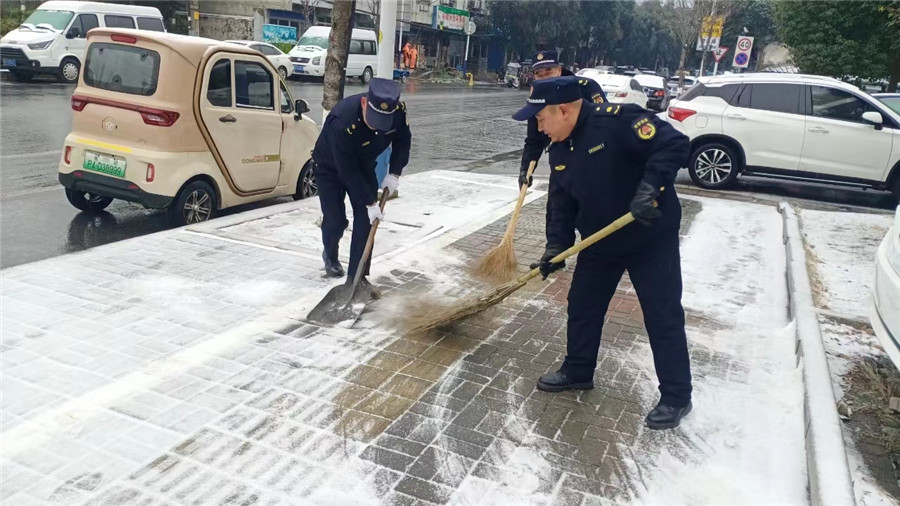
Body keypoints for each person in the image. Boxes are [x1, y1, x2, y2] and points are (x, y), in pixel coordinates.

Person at [512, 76, 693, 430]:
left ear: (563, 110)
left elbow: (674, 144)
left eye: (541, 119)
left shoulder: (619, 121)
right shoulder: (561, 147)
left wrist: (649, 190)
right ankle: (579, 370)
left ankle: (676, 396)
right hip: (599, 240)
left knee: (662, 314)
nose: (539, 126)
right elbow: (561, 201)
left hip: (649, 237)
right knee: (582, 304)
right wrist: (556, 246)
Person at [311, 78, 412, 287]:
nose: (378, 127)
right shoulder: (342, 120)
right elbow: (347, 170)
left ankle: (357, 278)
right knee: (335, 220)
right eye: (373, 120)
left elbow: (403, 141)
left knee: (366, 222)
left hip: (364, 164)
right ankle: (330, 255)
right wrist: (370, 202)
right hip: (330, 169)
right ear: (365, 103)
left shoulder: (398, 113)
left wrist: (394, 173)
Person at [518, 49, 607, 269]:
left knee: (591, 207)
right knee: (558, 202)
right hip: (561, 154)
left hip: (591, 154)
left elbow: (604, 121)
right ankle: (555, 251)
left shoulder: (585, 87)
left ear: (559, 69)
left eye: (549, 71)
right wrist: (525, 169)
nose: (545, 76)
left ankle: (597, 255)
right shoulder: (537, 95)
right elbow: (534, 138)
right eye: (539, 74)